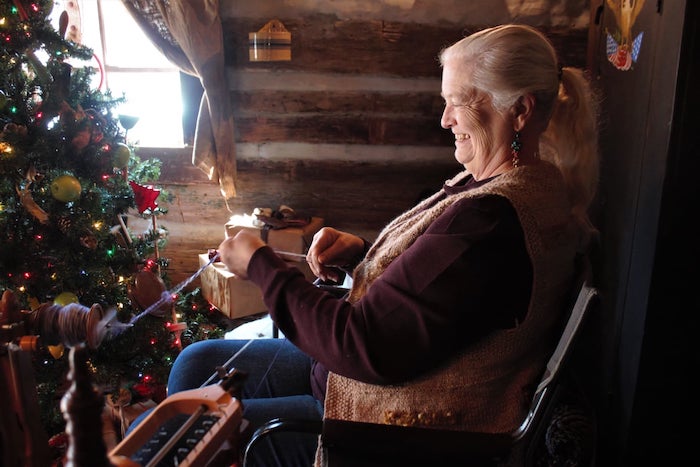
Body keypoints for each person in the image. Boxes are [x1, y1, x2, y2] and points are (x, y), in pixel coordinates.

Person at [159, 23, 600, 466]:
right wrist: (363, 257)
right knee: (194, 366)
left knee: (189, 429)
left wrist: (260, 264)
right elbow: (445, 292)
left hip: (389, 430)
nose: (445, 119)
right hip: (364, 379)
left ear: (520, 110)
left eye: (457, 103)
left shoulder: (492, 220)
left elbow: (363, 344)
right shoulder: (519, 188)